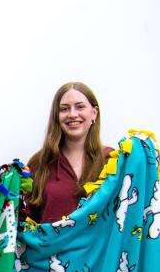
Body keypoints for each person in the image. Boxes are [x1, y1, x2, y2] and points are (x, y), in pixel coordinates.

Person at [26, 82, 111, 223]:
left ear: (94, 113)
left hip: (99, 246)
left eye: (80, 107)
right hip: (52, 246)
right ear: (56, 116)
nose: (72, 114)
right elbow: (27, 223)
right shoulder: (39, 162)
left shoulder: (111, 161)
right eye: (64, 109)